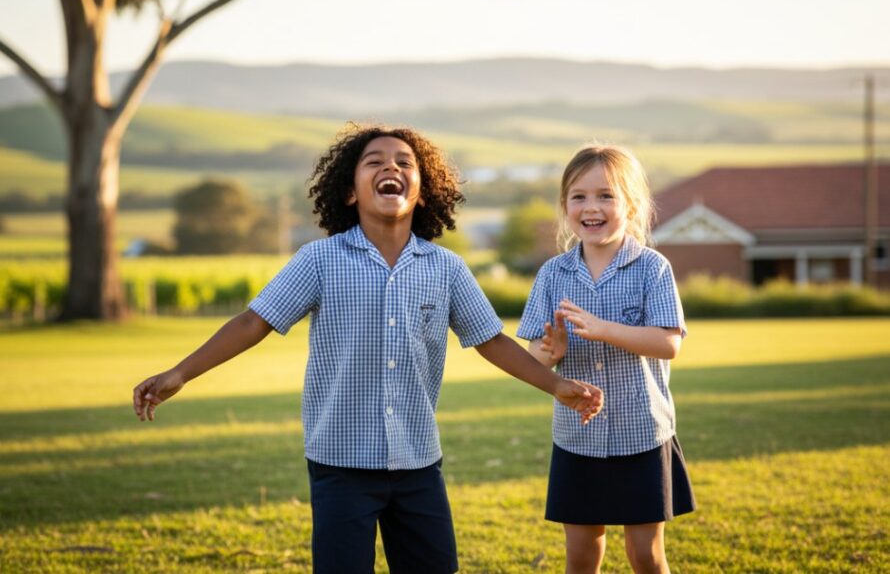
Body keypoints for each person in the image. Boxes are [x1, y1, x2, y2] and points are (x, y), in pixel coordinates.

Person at [132, 125, 603, 574]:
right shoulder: (319, 260)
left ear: (422, 189)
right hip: (340, 464)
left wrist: (556, 384)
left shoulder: (447, 269)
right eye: (373, 161)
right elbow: (254, 321)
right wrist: (181, 373)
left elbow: (491, 340)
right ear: (350, 191)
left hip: (418, 463)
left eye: (404, 162)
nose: (390, 166)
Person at [517, 144, 695, 574]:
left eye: (606, 196)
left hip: (643, 435)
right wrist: (549, 352)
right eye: (579, 196)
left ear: (631, 205)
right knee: (581, 554)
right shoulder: (552, 274)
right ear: (565, 206)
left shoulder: (653, 267)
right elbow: (533, 357)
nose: (591, 207)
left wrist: (603, 329)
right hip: (577, 439)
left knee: (646, 555)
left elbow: (669, 342)